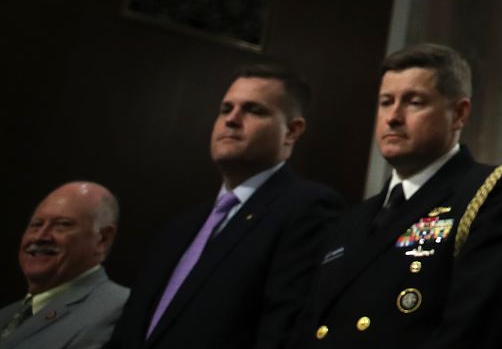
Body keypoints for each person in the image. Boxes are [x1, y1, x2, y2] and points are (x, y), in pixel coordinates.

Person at [304, 43, 502, 348]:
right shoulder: (352, 220)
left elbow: (477, 329)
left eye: (414, 102)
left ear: (458, 114)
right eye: (385, 102)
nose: (393, 117)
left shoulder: (494, 193)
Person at [112, 63, 343, 349]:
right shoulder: (179, 228)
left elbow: (281, 334)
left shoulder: (307, 210)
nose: (231, 120)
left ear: (292, 131)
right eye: (225, 109)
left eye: (253, 110)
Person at [5, 182, 127, 348]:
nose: (40, 237)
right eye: (36, 225)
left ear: (102, 239)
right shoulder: (7, 315)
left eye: (62, 224)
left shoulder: (120, 310)